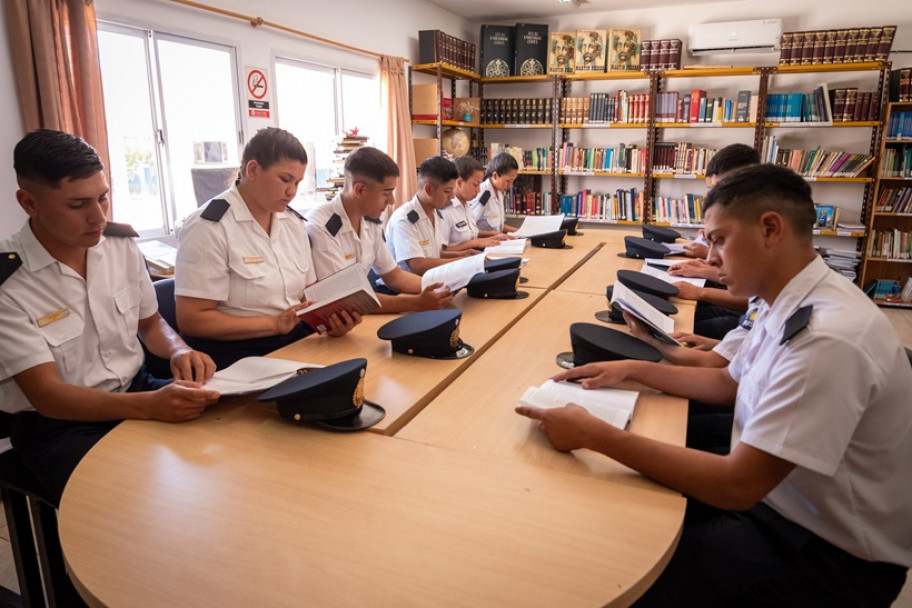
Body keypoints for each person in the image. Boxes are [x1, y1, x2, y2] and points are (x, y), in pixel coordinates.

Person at [518, 164, 912, 607]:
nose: (710, 258)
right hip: (784, 500)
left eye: (719, 240)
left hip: (824, 554)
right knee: (616, 502)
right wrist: (632, 368)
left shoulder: (827, 338)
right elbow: (728, 382)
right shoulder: (787, 298)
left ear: (769, 229)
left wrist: (595, 434)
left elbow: (737, 486)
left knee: (616, 571)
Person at [0, 129, 219, 505]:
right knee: (126, 507)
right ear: (29, 203)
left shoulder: (118, 245)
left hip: (137, 388)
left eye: (103, 198)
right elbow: (49, 396)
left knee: (227, 449)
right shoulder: (9, 282)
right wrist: (149, 408)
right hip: (59, 426)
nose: (98, 217)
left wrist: (179, 350)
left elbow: (150, 325)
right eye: (78, 205)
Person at [175, 128, 359, 369]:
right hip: (238, 353)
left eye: (297, 183)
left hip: (292, 340)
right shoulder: (209, 226)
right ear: (252, 170)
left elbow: (308, 293)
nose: (292, 192)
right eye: (285, 179)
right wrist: (273, 324)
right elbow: (192, 320)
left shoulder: (292, 223)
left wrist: (330, 322)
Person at [305, 147, 455, 313]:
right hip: (338, 317)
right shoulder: (322, 226)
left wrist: (443, 286)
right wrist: (416, 303)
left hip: (362, 310)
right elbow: (346, 296)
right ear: (360, 189)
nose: (392, 201)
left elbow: (394, 276)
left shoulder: (371, 222)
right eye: (386, 193)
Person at [385, 156, 473, 275]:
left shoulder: (435, 212)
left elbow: (433, 254)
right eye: (447, 191)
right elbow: (418, 265)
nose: (452, 196)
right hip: (404, 289)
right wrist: (463, 261)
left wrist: (462, 254)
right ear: (429, 189)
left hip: (431, 279)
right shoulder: (404, 220)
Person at [438, 156, 509, 253]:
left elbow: (472, 234)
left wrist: (495, 236)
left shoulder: (467, 205)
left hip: (474, 257)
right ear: (459, 183)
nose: (479, 190)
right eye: (475, 185)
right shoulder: (445, 210)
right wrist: (475, 243)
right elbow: (440, 252)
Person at [470, 153, 520, 235]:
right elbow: (471, 229)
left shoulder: (499, 192)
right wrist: (497, 235)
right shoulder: (483, 195)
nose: (511, 185)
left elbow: (500, 226)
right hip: (483, 246)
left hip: (496, 242)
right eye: (508, 181)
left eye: (513, 181)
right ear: (495, 175)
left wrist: (520, 231)